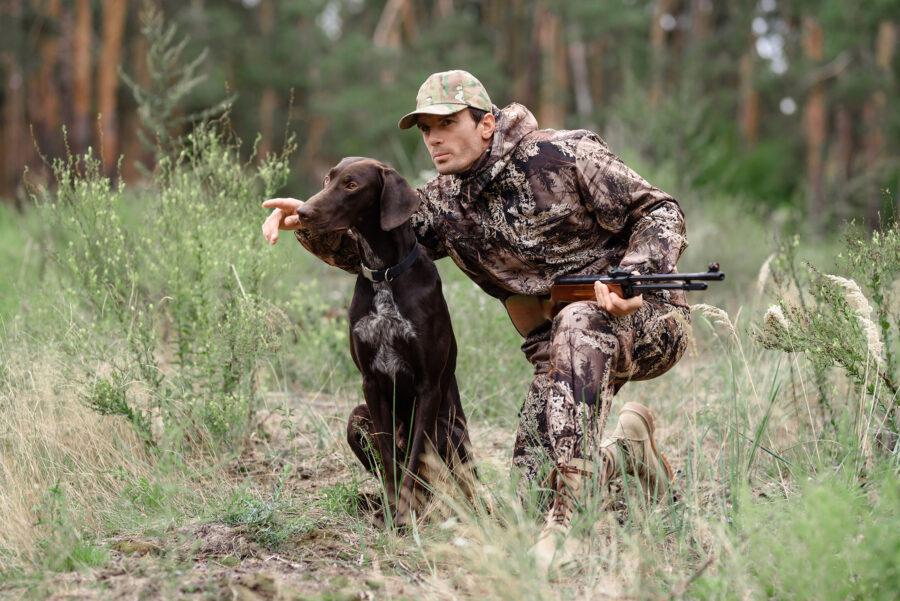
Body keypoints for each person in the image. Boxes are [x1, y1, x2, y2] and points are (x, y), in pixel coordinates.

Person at [262, 70, 690, 570]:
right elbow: (378, 246)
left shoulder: (566, 154)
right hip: (559, 359)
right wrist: (308, 220)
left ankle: (570, 525)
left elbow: (660, 210)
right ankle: (628, 457)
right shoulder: (444, 204)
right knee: (528, 496)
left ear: (486, 123)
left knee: (577, 321)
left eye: (446, 123)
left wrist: (632, 277)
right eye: (425, 129)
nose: (434, 138)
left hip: (646, 322)